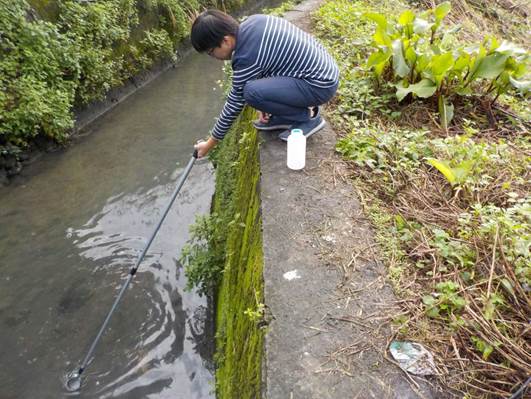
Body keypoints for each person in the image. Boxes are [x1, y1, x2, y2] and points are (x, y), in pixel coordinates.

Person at [191, 9, 339, 158]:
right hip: (325, 71)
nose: (213, 57)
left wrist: (210, 144)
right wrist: (266, 101)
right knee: (255, 91)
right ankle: (287, 117)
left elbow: (234, 103)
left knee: (249, 92)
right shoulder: (253, 22)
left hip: (319, 85)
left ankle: (306, 118)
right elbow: (270, 61)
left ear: (226, 41)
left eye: (211, 52)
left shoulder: (245, 56)